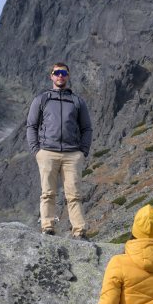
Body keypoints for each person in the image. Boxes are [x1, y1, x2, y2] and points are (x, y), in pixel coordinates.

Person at [25, 62, 93, 238]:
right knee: (48, 193)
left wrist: (82, 151)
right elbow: (31, 126)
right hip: (47, 153)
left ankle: (79, 231)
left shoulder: (77, 101)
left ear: (68, 76)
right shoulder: (42, 99)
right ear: (51, 76)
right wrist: (36, 151)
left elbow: (87, 128)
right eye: (57, 73)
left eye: (63, 73)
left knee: (74, 195)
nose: (60, 76)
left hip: (72, 154)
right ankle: (47, 227)